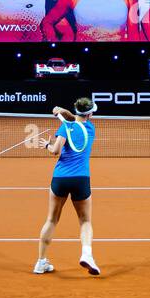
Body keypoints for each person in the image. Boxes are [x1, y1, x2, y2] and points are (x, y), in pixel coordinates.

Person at [33, 98, 100, 276]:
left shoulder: (65, 128)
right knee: (85, 221)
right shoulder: (90, 129)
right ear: (90, 113)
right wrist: (61, 111)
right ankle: (87, 254)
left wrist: (47, 145)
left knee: (51, 220)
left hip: (60, 179)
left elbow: (55, 151)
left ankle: (40, 262)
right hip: (81, 179)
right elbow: (75, 118)